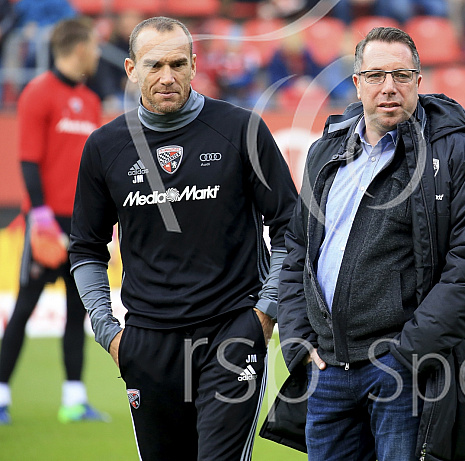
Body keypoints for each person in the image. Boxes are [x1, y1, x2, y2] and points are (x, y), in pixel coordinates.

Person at [277, 26, 465, 461]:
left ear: (419, 82)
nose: (388, 87)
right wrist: (297, 338)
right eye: (375, 76)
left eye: (401, 75)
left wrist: (407, 357)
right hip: (327, 373)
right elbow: (298, 248)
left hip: (401, 373)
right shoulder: (324, 154)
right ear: (357, 83)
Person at [68, 17, 297, 460]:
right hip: (146, 344)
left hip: (232, 334)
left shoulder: (241, 131)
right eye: (154, 66)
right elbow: (86, 248)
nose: (167, 77)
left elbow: (292, 230)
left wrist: (263, 317)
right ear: (132, 69)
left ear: (195, 66)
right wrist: (108, 331)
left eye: (178, 64)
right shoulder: (104, 146)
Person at [0, 17, 106, 426]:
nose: (97, 54)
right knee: (25, 305)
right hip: (45, 222)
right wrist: (41, 219)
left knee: (77, 312)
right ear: (78, 48)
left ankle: (74, 400)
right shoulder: (37, 93)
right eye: (93, 47)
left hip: (82, 227)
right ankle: (3, 395)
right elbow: (28, 161)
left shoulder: (92, 101)